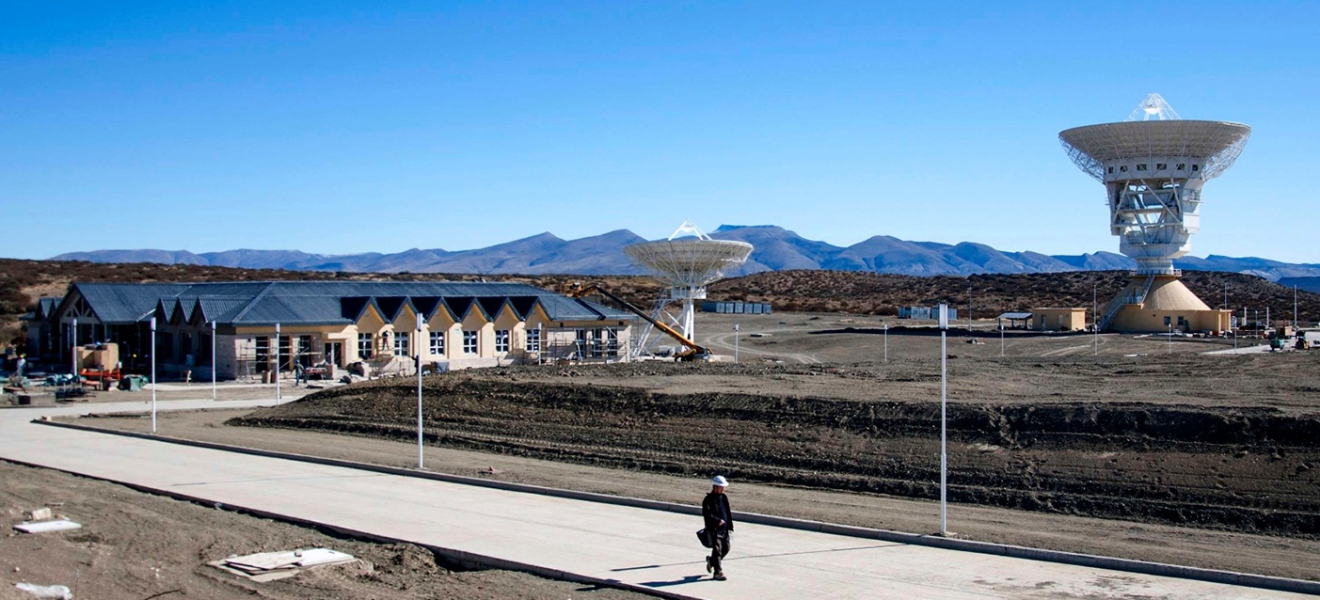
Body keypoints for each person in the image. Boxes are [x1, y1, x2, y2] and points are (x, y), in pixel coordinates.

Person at [701, 475, 734, 581]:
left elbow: (727, 512)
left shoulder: (724, 497)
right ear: (715, 487)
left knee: (726, 548)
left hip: (724, 529)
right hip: (714, 530)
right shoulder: (708, 500)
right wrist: (717, 521)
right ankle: (718, 572)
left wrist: (730, 525)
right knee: (717, 551)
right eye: (721, 487)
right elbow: (707, 515)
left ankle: (711, 561)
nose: (723, 489)